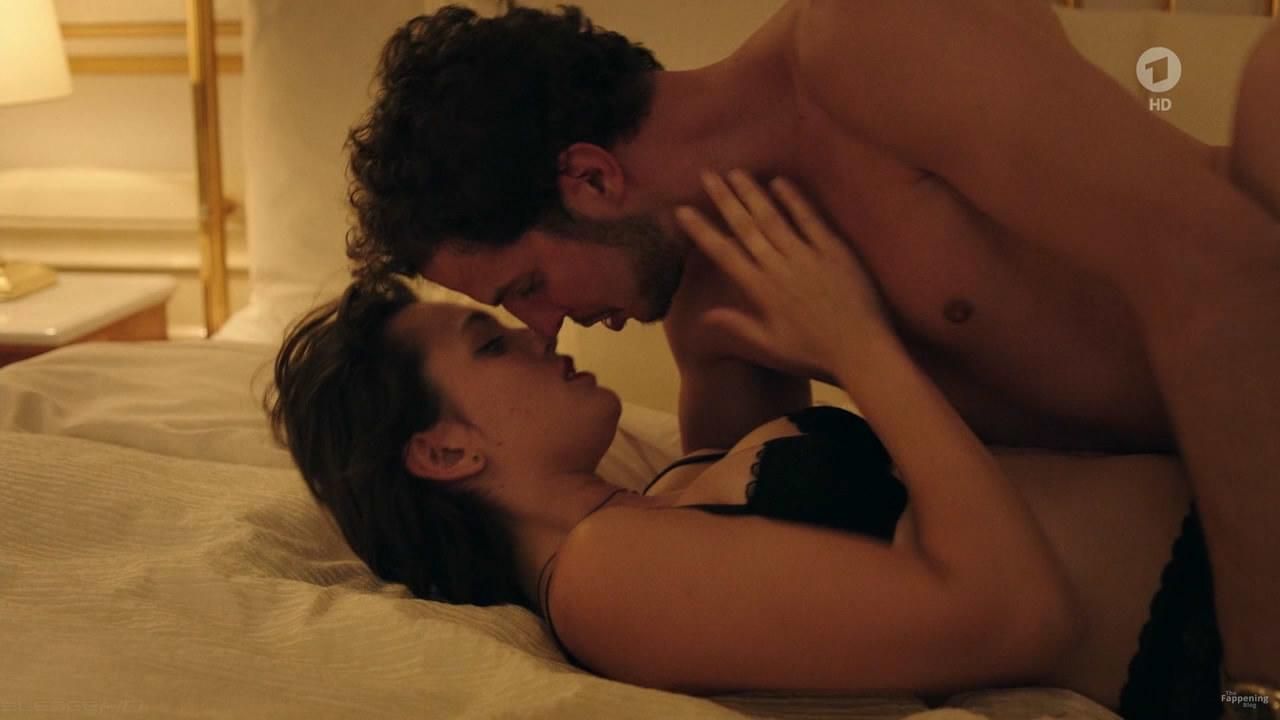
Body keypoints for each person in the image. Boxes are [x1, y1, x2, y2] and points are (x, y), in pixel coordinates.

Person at [342, 2, 1280, 699]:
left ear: (591, 178)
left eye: (525, 287)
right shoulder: (715, 319)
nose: (543, 326)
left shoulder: (872, 46)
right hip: (1191, 541)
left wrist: (1255, 690)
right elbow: (784, 574)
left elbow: (1225, 277)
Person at [270, 175, 1215, 718]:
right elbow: (1020, 616)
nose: (537, 333)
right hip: (1207, 634)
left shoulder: (659, 500)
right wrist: (857, 345)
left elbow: (711, 311)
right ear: (445, 453)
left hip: (1227, 532)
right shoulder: (602, 578)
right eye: (492, 343)